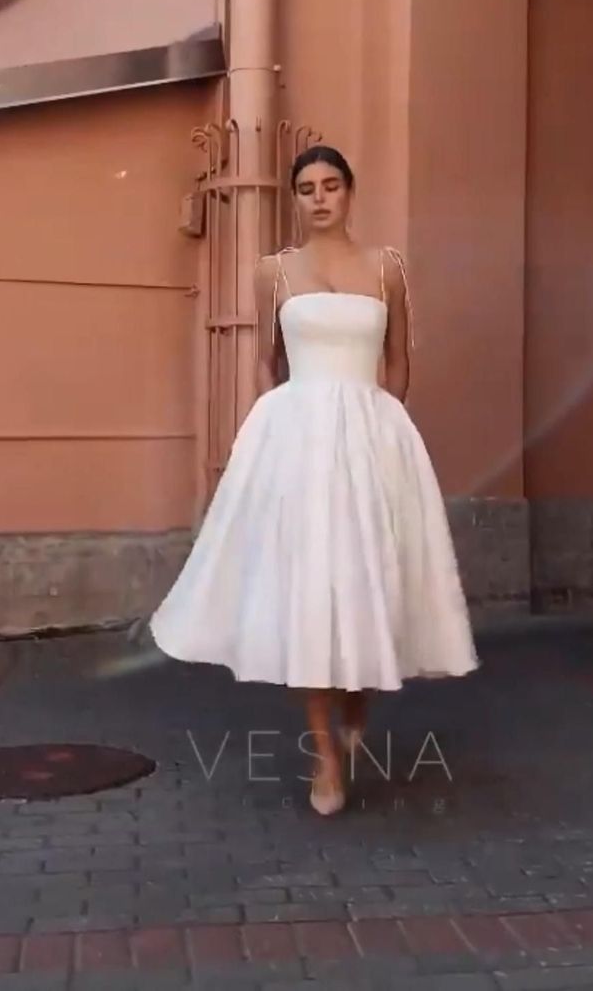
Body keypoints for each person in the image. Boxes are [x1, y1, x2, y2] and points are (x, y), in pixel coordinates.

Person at [150, 145, 478, 814]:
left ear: (350, 193)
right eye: (307, 188)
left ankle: (358, 701)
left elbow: (397, 360)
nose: (320, 197)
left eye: (331, 185)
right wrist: (289, 419)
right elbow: (269, 360)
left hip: (371, 435)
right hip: (300, 440)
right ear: (296, 199)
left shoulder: (386, 267)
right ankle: (326, 758)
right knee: (309, 586)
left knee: (368, 580)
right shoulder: (272, 271)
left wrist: (381, 428)